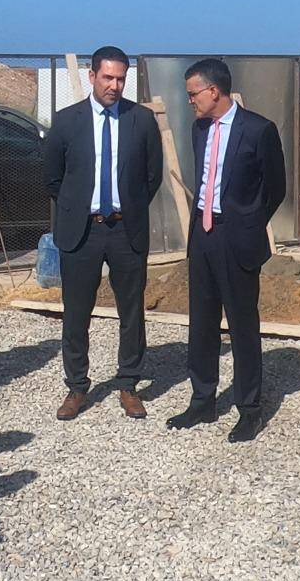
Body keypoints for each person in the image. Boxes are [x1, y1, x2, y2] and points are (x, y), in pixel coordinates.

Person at [166, 57, 286, 443]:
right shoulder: (199, 128)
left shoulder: (259, 130)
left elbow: (276, 187)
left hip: (238, 238)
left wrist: (249, 222)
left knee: (241, 324)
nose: (190, 101)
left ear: (213, 91)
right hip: (203, 235)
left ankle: (249, 408)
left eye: (193, 94)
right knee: (201, 321)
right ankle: (202, 400)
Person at [43, 46, 163, 420]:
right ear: (92, 76)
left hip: (127, 230)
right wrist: (79, 207)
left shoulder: (141, 120)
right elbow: (52, 177)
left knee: (131, 311)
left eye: (121, 79)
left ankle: (128, 383)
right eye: (108, 77)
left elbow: (153, 175)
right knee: (77, 313)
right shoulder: (67, 122)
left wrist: (130, 207)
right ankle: (77, 386)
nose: (114, 85)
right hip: (83, 231)